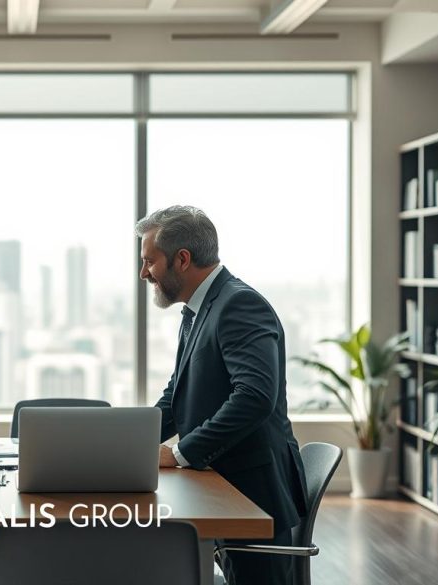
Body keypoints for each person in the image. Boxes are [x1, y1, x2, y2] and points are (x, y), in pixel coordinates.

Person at [135, 206, 308, 585]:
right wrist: (130, 439)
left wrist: (180, 453)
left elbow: (255, 397)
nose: (144, 273)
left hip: (251, 496)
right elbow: (177, 395)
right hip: (223, 488)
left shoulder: (238, 305)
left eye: (150, 261)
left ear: (182, 259)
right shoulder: (198, 310)